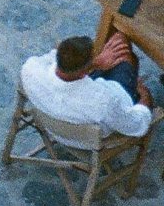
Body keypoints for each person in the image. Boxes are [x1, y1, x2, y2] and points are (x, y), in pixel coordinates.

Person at [19, 32, 154, 138]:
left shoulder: (30, 69)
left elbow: (51, 58)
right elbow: (135, 125)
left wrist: (95, 63)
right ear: (85, 73)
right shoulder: (104, 101)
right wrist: (145, 97)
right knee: (122, 47)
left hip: (50, 122)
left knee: (117, 43)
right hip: (85, 139)